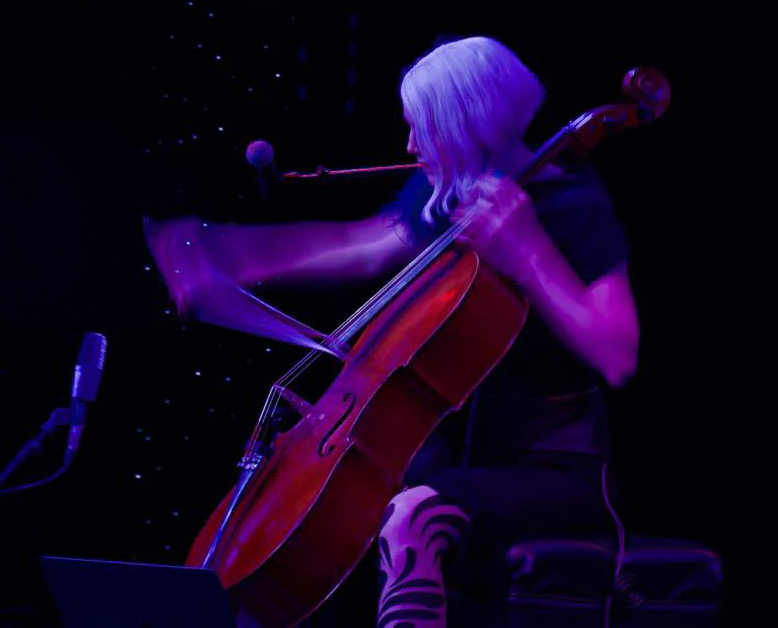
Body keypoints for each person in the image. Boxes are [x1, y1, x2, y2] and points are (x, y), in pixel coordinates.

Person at [145, 36, 638, 628]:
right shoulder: (447, 198)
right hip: (448, 462)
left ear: (468, 126)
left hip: (551, 472)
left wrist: (527, 249)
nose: (408, 145)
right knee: (332, 520)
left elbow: (617, 353)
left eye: (421, 128)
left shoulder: (568, 201)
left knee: (411, 517)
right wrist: (228, 256)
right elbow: (360, 245)